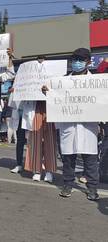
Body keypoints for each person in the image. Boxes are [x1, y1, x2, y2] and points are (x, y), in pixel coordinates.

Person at [43, 48, 100, 201]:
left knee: (90, 160)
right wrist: (47, 92)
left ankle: (92, 188)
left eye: (80, 60)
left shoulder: (97, 82)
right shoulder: (62, 82)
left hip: (88, 127)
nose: (77, 63)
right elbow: (54, 97)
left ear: (88, 62)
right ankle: (68, 185)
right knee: (68, 158)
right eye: (75, 60)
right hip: (68, 126)